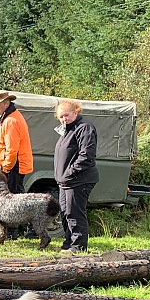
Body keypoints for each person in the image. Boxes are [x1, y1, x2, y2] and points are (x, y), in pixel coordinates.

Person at [53, 98, 99, 253]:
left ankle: (78, 246)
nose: (64, 119)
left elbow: (87, 156)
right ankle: (69, 243)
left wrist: (69, 173)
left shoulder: (84, 128)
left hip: (79, 180)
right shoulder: (67, 130)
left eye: (66, 115)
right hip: (65, 181)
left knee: (75, 212)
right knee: (65, 212)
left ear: (76, 112)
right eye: (61, 116)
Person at [0, 91, 34, 237]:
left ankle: (15, 231)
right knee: (16, 197)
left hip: (14, 166)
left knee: (13, 199)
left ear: (6, 103)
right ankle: (18, 230)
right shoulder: (10, 117)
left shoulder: (11, 120)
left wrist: (6, 167)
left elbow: (12, 148)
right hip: (15, 164)